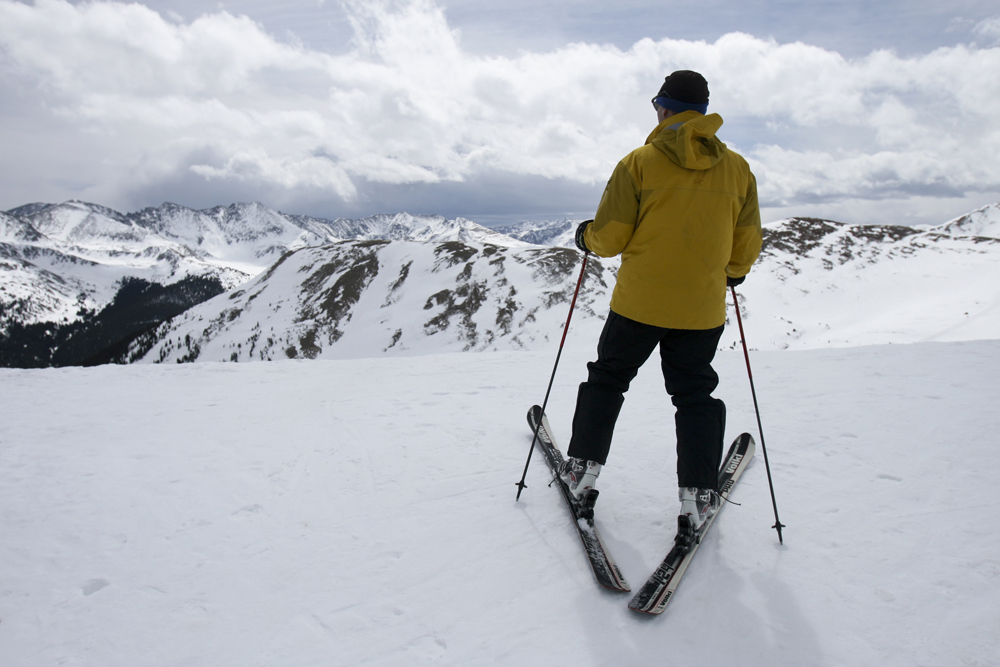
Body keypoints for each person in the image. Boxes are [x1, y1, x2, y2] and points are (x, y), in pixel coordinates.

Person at [559, 70, 762, 535]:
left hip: (639, 306)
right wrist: (730, 273)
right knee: (694, 395)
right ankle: (699, 495)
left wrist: (584, 238)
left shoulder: (639, 162)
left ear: (665, 108)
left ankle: (582, 470)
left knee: (608, 379)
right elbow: (746, 243)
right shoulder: (738, 169)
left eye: (657, 105)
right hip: (701, 311)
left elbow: (609, 239)